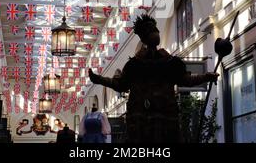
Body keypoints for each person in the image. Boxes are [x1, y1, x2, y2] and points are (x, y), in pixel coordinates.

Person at [88, 14, 219, 143]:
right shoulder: (135, 65)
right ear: (144, 37)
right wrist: (99, 80)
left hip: (166, 122)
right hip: (141, 124)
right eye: (151, 31)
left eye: (155, 30)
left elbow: (186, 80)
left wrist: (206, 77)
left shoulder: (170, 62)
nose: (155, 33)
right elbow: (120, 85)